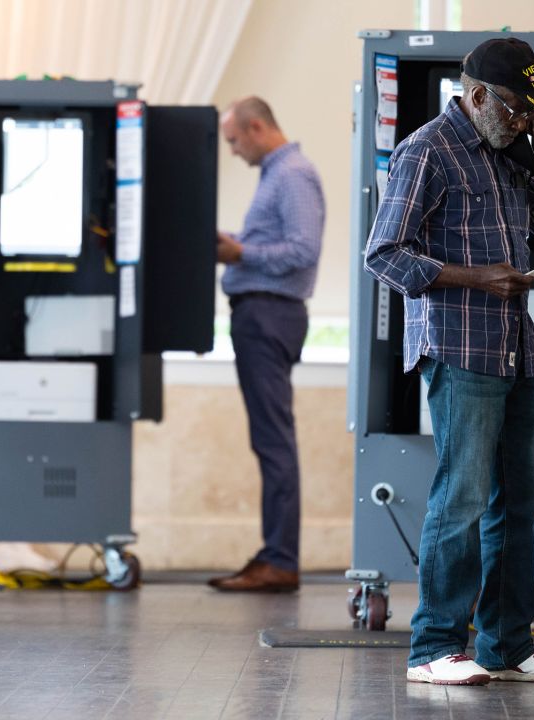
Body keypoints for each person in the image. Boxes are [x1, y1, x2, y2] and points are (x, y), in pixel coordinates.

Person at [364, 38, 534, 685]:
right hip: (461, 350)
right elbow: (384, 254)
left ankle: (506, 646)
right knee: (459, 498)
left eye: (533, 111)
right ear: (479, 95)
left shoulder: (513, 152)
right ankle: (433, 648)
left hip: (516, 350)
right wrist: (476, 279)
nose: (522, 120)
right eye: (517, 108)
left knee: (519, 500)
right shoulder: (426, 151)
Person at [208, 97, 325, 593]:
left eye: (234, 140)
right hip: (262, 315)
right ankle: (274, 553)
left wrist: (240, 252)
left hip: (269, 316)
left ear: (257, 127)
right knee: (269, 439)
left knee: (274, 440)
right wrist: (234, 242)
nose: (233, 151)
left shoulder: (293, 174)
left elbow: (303, 250)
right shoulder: (277, 175)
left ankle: (281, 560)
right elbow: (274, 241)